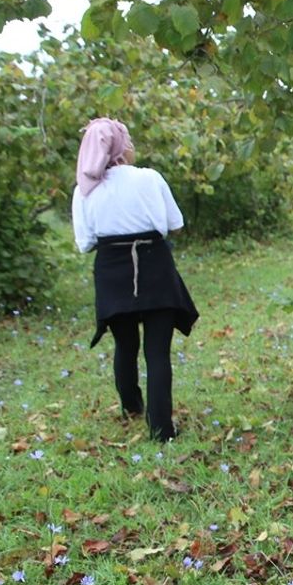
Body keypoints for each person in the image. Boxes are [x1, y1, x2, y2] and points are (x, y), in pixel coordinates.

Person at [72, 118, 198, 443]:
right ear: (120, 146)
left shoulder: (84, 190)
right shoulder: (149, 178)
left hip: (112, 272)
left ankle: (131, 407)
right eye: (128, 141)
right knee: (157, 352)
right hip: (155, 268)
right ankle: (161, 430)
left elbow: (85, 243)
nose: (131, 147)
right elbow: (175, 223)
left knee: (125, 345)